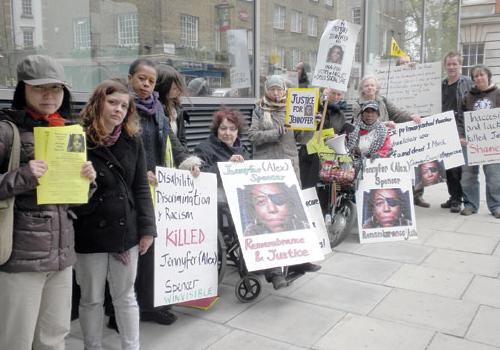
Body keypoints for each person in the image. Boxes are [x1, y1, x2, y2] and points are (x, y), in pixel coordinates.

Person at [0, 54, 96, 350]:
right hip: (20, 258)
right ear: (23, 89)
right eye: (40, 88)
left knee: (54, 336)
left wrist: (87, 183)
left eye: (56, 89)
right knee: (17, 339)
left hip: (61, 255)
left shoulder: (67, 131)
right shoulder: (7, 131)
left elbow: (72, 204)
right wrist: (24, 176)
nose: (49, 95)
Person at [73, 79, 155, 350]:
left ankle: (131, 347)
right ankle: (92, 346)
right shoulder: (76, 137)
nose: (118, 109)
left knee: (125, 297)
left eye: (123, 105)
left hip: (125, 231)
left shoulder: (133, 140)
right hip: (89, 230)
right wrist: (85, 181)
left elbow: (141, 187)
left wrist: (147, 229)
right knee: (92, 298)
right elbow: (68, 192)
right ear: (98, 102)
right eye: (112, 102)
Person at [128, 58, 201, 326]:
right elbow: (121, 149)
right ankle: (125, 309)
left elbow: (171, 142)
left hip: (158, 188)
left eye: (150, 80)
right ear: (130, 78)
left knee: (153, 249)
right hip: (135, 189)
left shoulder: (157, 108)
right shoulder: (125, 108)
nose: (146, 84)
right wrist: (141, 171)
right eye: (141, 79)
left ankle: (149, 304)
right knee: (137, 251)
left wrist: (189, 162)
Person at [352, 75, 426, 207]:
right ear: (362, 89)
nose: (370, 88)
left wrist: (411, 116)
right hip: (367, 144)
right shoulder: (357, 104)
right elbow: (361, 122)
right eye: (366, 85)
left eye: (372, 85)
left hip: (385, 143)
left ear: (377, 88)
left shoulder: (382, 101)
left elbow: (396, 113)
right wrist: (384, 124)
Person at [457, 64, 500, 218]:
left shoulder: (498, 94)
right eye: (476, 76)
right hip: (470, 143)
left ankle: (496, 206)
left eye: (482, 75)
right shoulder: (467, 97)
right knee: (468, 176)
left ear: (488, 76)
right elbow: (461, 119)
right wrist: (461, 136)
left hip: (492, 144)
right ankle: (470, 205)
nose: (479, 78)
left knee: (494, 176)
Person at [298, 87, 348, 212]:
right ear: (326, 92)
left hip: (328, 155)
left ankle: (322, 217)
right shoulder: (316, 107)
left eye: (339, 94)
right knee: (309, 187)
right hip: (310, 152)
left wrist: (339, 136)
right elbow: (302, 126)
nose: (336, 97)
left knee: (325, 189)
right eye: (333, 93)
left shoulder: (340, 114)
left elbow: (342, 132)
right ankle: (308, 216)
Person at [249, 75, 303, 180]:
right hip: (265, 166)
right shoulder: (259, 109)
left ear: (284, 90)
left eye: (279, 89)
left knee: (289, 195)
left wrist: (312, 125)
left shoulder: (293, 109)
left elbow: (301, 138)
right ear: (266, 90)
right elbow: (252, 136)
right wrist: (275, 133)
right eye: (272, 89)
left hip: (288, 164)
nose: (276, 93)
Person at [441, 52, 473, 213]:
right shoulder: (442, 84)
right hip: (443, 129)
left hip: (460, 128)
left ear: (460, 65)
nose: (452, 67)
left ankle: (458, 199)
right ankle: (453, 196)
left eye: (455, 64)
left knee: (459, 167)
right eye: (449, 64)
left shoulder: (467, 82)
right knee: (448, 167)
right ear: (445, 66)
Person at [241, 182, 309, 236]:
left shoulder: (308, 229)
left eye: (279, 199)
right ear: (254, 211)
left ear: (290, 204)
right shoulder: (248, 236)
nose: (272, 209)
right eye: (261, 202)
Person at [346, 100, 392, 172]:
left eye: (373, 112)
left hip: (374, 167)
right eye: (367, 112)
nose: (369, 115)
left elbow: (386, 149)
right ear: (362, 114)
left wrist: (378, 155)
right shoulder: (352, 129)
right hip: (352, 166)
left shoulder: (383, 131)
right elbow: (345, 147)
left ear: (378, 115)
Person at [155, 65, 190, 149]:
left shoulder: (178, 108)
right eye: (175, 88)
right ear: (163, 88)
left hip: (176, 157)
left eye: (179, 86)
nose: (179, 90)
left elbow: (182, 138)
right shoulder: (155, 110)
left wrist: (185, 158)